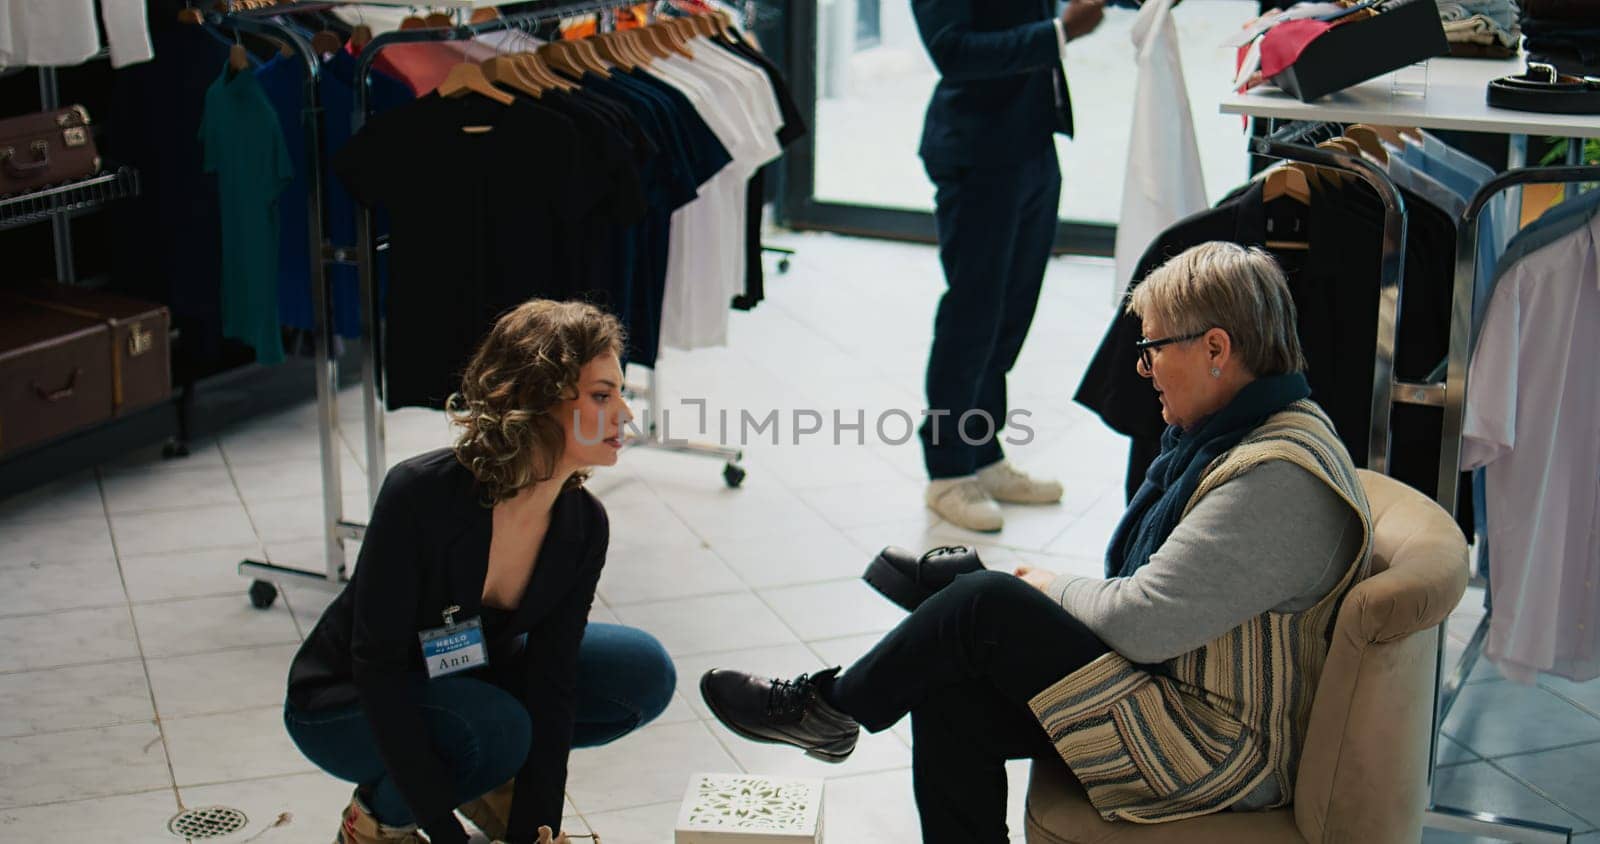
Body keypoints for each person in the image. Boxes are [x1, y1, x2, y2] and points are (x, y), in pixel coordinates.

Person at [701, 243, 1373, 842]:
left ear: (1216, 350)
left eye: (1152, 350)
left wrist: (1042, 588)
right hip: (1176, 701)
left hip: (1217, 752)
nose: (1144, 370)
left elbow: (1142, 621)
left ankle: (830, 706)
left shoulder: (1276, 478)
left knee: (988, 601)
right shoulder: (1247, 438)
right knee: (948, 678)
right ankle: (888, 661)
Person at [283, 300, 676, 844]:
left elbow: (552, 682)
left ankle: (481, 773)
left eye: (621, 395)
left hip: (463, 679)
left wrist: (537, 832)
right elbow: (379, 672)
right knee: (496, 729)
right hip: (347, 701)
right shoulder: (419, 495)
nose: (626, 415)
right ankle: (378, 822)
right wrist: (445, 835)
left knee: (642, 671)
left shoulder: (583, 525)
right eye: (602, 396)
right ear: (536, 400)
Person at [913, 0, 1107, 532]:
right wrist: (1060, 31)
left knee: (1009, 316)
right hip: (976, 150)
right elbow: (951, 52)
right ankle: (948, 470)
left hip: (1033, 145)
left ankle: (982, 450)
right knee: (974, 314)